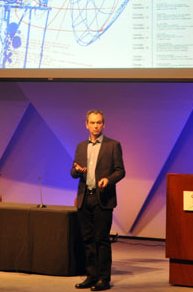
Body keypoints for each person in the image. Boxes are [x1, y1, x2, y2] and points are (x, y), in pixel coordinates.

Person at [71, 110, 125, 291]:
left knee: (101, 239)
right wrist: (77, 170)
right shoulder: (80, 146)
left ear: (104, 124)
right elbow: (72, 172)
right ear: (86, 124)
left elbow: (120, 171)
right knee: (88, 240)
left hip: (103, 198)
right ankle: (91, 276)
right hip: (85, 197)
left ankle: (104, 279)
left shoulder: (113, 145)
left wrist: (108, 180)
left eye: (99, 122)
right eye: (92, 123)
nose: (95, 126)